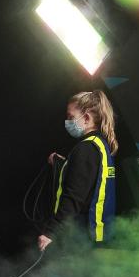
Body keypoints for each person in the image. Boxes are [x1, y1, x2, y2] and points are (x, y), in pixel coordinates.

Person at [37, 90, 117, 252]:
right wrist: (62, 163)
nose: (67, 121)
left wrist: (51, 232)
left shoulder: (86, 149)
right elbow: (86, 182)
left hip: (80, 237)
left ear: (86, 118)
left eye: (71, 117)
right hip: (94, 237)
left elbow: (74, 197)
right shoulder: (99, 146)